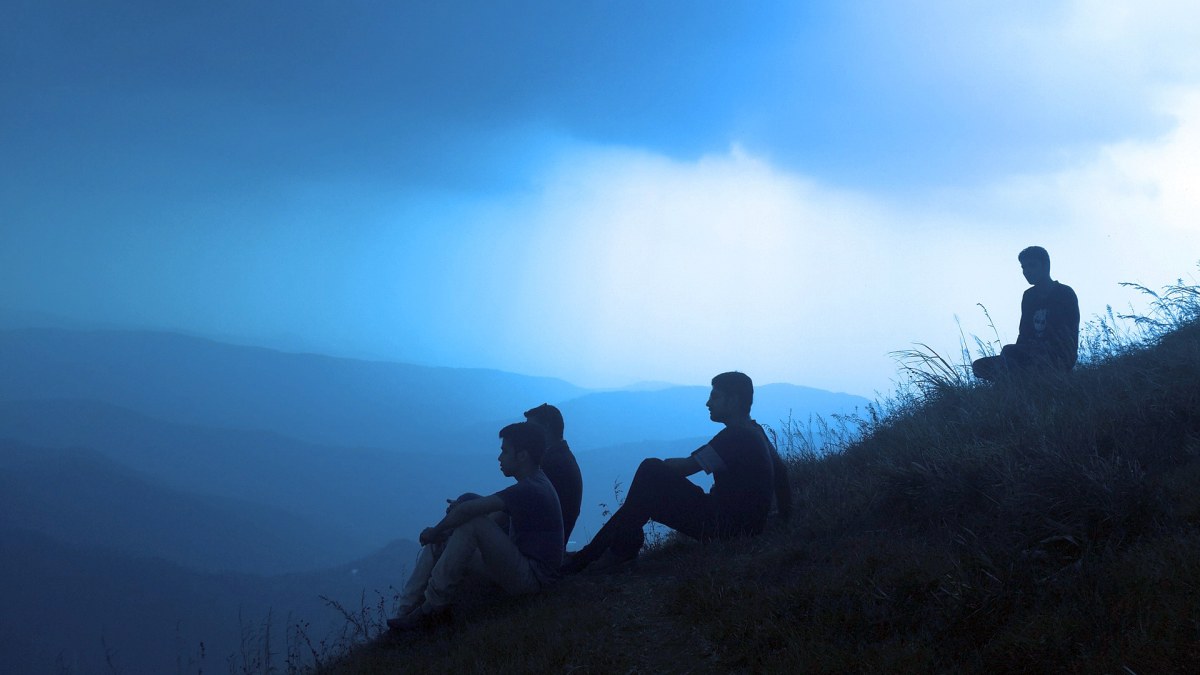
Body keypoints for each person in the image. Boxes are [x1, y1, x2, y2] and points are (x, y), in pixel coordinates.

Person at [561, 371, 791, 574]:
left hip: (726, 528)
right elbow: (781, 474)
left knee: (649, 469)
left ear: (733, 401)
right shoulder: (755, 430)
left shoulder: (735, 437)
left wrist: (661, 467)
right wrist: (783, 518)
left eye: (715, 396)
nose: (708, 403)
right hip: (744, 526)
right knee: (644, 495)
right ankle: (609, 553)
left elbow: (687, 468)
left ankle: (594, 557)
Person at [388, 422, 563, 630]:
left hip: (534, 580)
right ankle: (405, 611)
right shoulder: (534, 483)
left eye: (505, 451)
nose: (499, 458)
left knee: (471, 524)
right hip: (523, 569)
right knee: (445, 537)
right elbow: (490, 513)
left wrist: (434, 531)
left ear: (522, 455)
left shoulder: (531, 489)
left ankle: (432, 607)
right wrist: (449, 527)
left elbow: (473, 512)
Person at [972, 246, 1080, 382]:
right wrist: (1015, 354)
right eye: (1023, 267)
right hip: (1029, 355)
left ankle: (1024, 381)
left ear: (1046, 266)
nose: (1027, 271)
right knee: (979, 366)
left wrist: (1019, 353)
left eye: (1032, 266)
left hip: (1058, 356)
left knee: (1009, 354)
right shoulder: (1029, 296)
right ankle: (1019, 380)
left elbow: (1067, 335)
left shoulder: (1064, 293)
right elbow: (1024, 332)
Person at [524, 403, 583, 544]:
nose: (525, 434)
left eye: (530, 429)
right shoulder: (560, 457)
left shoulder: (553, 465)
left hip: (539, 547)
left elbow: (521, 506)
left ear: (546, 427)